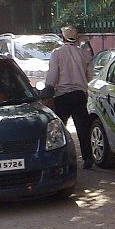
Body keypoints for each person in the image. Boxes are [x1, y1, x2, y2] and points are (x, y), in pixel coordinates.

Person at [45, 25, 94, 169]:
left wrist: (49, 91)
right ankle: (87, 158)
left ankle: (60, 160)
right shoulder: (84, 54)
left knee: (60, 130)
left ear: (63, 38)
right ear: (76, 39)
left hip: (62, 96)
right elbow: (89, 75)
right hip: (79, 95)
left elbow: (53, 74)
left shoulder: (57, 53)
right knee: (82, 129)